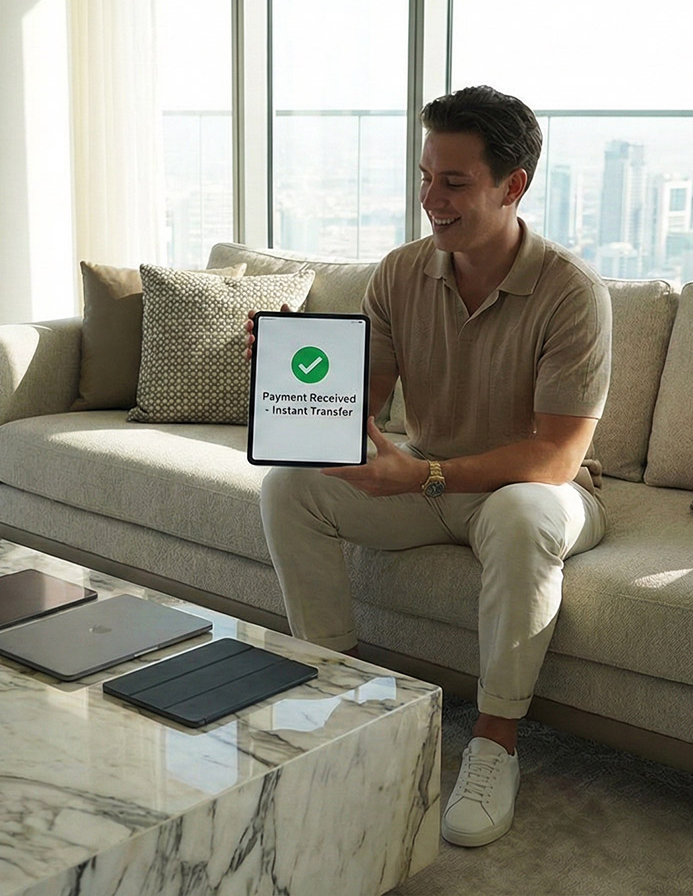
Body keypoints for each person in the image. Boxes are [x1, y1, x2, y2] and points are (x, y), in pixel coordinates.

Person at [253, 85, 611, 848]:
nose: (431, 199)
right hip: (430, 474)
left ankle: (494, 742)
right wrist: (295, 371)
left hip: (536, 492)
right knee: (288, 485)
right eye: (424, 177)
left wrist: (425, 477)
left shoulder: (571, 293)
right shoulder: (401, 272)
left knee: (520, 511)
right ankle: (342, 695)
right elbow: (367, 412)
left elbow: (554, 455)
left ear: (513, 186)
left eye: (454, 183)